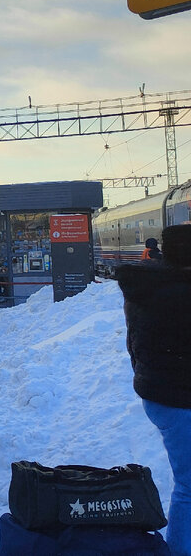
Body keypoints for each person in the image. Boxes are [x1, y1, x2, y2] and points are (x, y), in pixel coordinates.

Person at [119, 225, 191, 555]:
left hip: (159, 394)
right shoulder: (179, 292)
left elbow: (134, 343)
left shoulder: (147, 286)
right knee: (189, 487)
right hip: (181, 398)